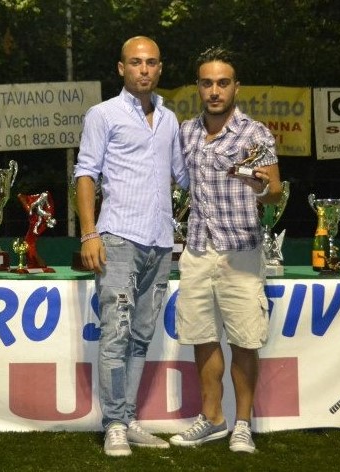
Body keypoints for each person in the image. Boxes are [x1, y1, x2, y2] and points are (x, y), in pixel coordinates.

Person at [74, 36, 189, 457]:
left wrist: (232, 173)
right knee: (116, 334)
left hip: (160, 242)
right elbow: (85, 173)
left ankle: (128, 416)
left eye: (151, 62)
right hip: (118, 238)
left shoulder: (170, 119)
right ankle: (114, 425)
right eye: (136, 62)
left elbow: (184, 177)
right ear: (121, 68)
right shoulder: (103, 114)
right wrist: (89, 233)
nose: (144, 69)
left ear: (160, 68)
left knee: (140, 336)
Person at [169, 46, 282, 454]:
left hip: (241, 251)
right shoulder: (185, 132)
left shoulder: (256, 133)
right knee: (202, 338)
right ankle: (213, 418)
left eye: (222, 83)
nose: (214, 91)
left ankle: (243, 425)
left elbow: (275, 191)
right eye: (207, 83)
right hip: (198, 249)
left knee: (245, 342)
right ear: (198, 87)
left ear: (236, 87)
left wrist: (261, 188)